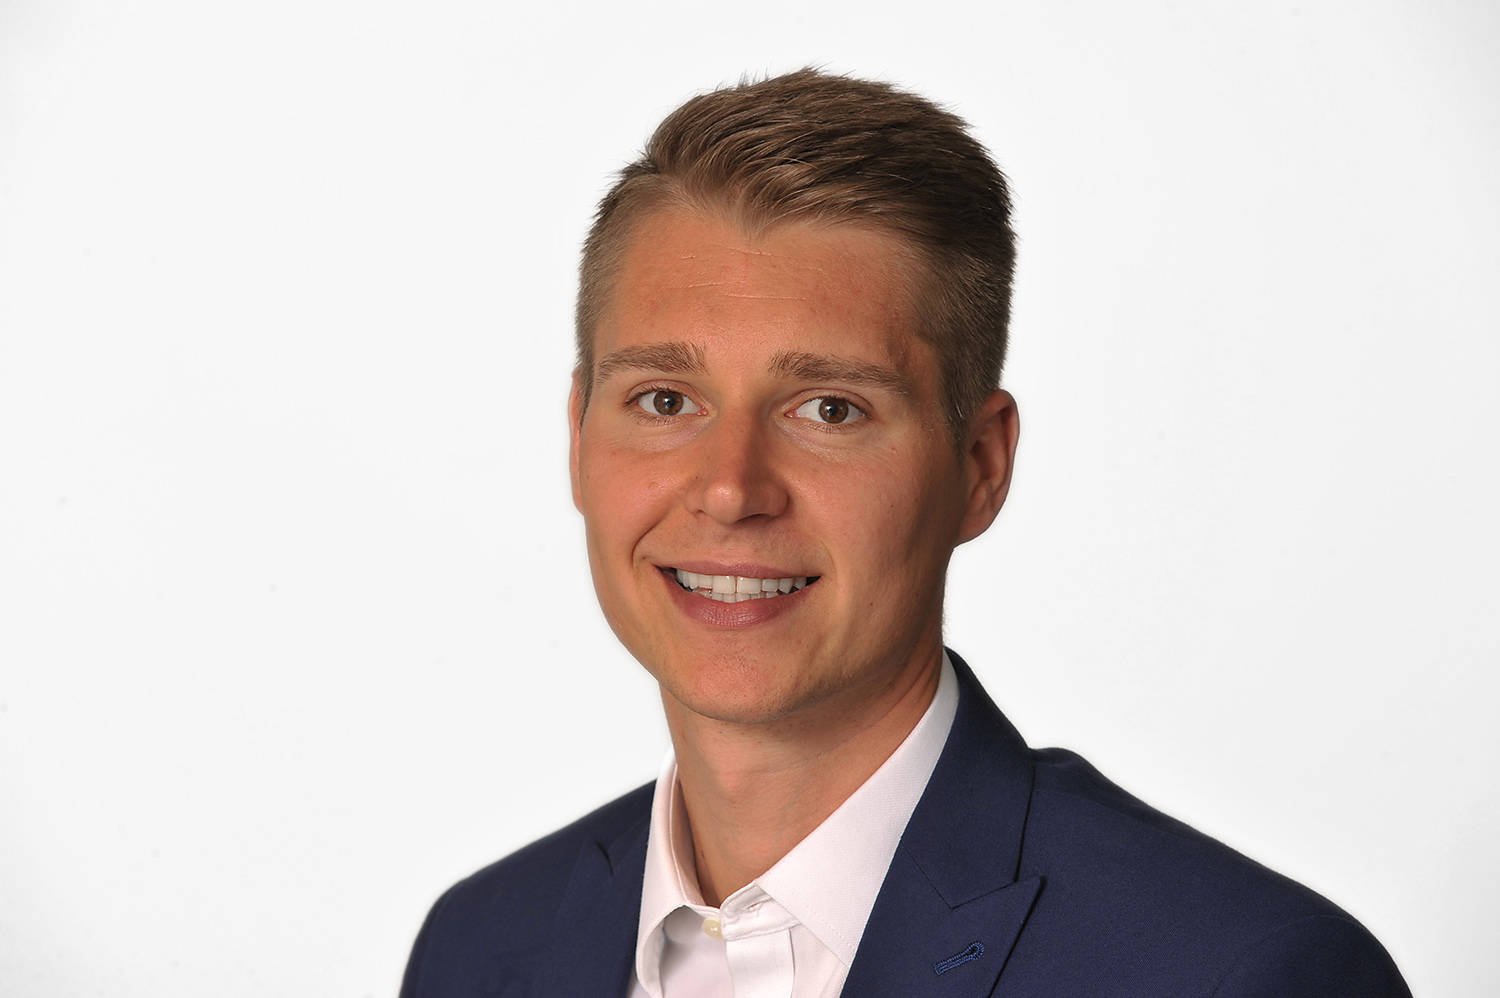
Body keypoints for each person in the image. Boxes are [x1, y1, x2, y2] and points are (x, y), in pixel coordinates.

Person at [399, 69, 1411, 997]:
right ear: (579, 436)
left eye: (829, 408)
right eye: (665, 398)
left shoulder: (1240, 972)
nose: (729, 488)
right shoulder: (481, 948)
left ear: (980, 466)